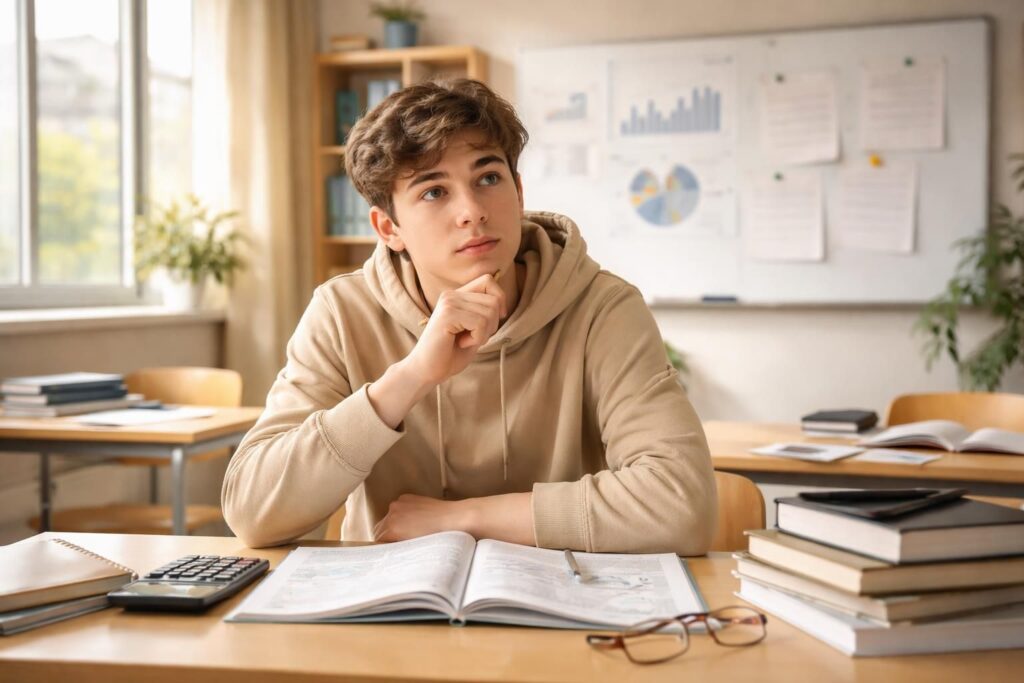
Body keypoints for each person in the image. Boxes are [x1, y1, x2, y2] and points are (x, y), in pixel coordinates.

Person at [222, 78, 717, 554]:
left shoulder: (602, 307)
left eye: (488, 178)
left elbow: (683, 504)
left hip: (560, 605)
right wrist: (412, 376)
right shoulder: (341, 312)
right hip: (388, 609)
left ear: (519, 193)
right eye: (434, 191)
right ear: (389, 228)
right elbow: (252, 512)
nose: (473, 210)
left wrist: (464, 518)